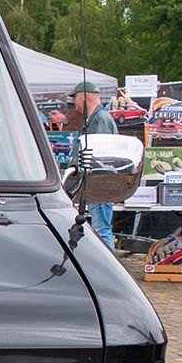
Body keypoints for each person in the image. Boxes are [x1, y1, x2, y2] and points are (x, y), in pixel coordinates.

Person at [65, 80, 118, 250]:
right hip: (98, 184)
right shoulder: (96, 118)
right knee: (100, 228)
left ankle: (108, 273)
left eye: (75, 98)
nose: (74, 102)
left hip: (101, 184)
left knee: (102, 229)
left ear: (85, 96)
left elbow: (99, 155)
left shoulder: (100, 119)